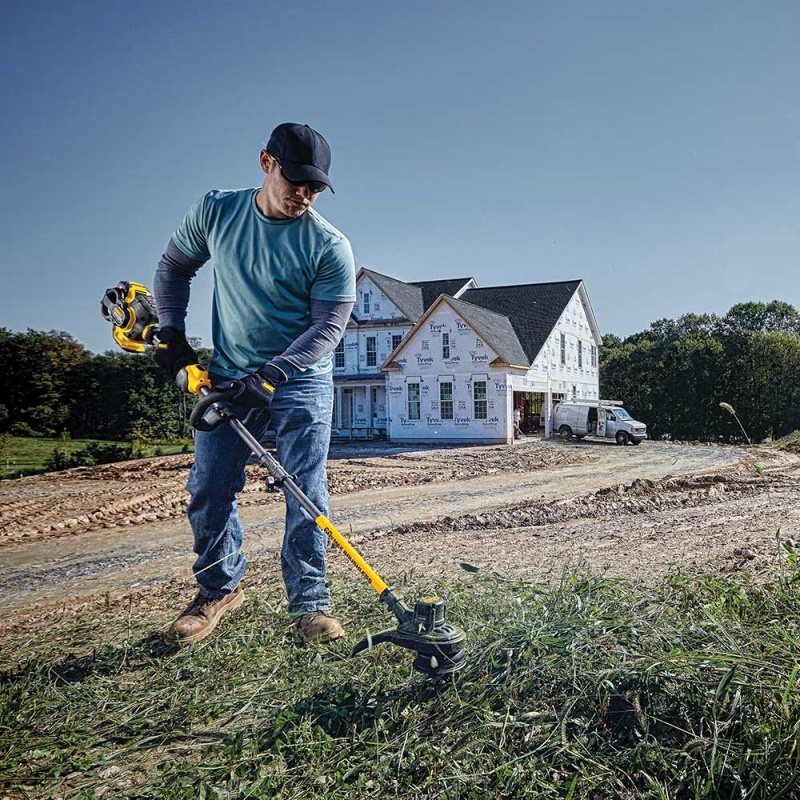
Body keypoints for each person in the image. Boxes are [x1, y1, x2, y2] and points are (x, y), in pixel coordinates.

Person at [152, 123, 356, 647]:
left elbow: (327, 329)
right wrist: (173, 336)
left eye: (315, 188)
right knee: (209, 488)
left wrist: (271, 377)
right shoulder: (217, 212)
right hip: (225, 373)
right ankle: (218, 590)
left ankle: (310, 605)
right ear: (267, 162)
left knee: (304, 492)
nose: (303, 195)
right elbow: (175, 268)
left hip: (299, 381)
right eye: (296, 181)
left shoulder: (329, 246)